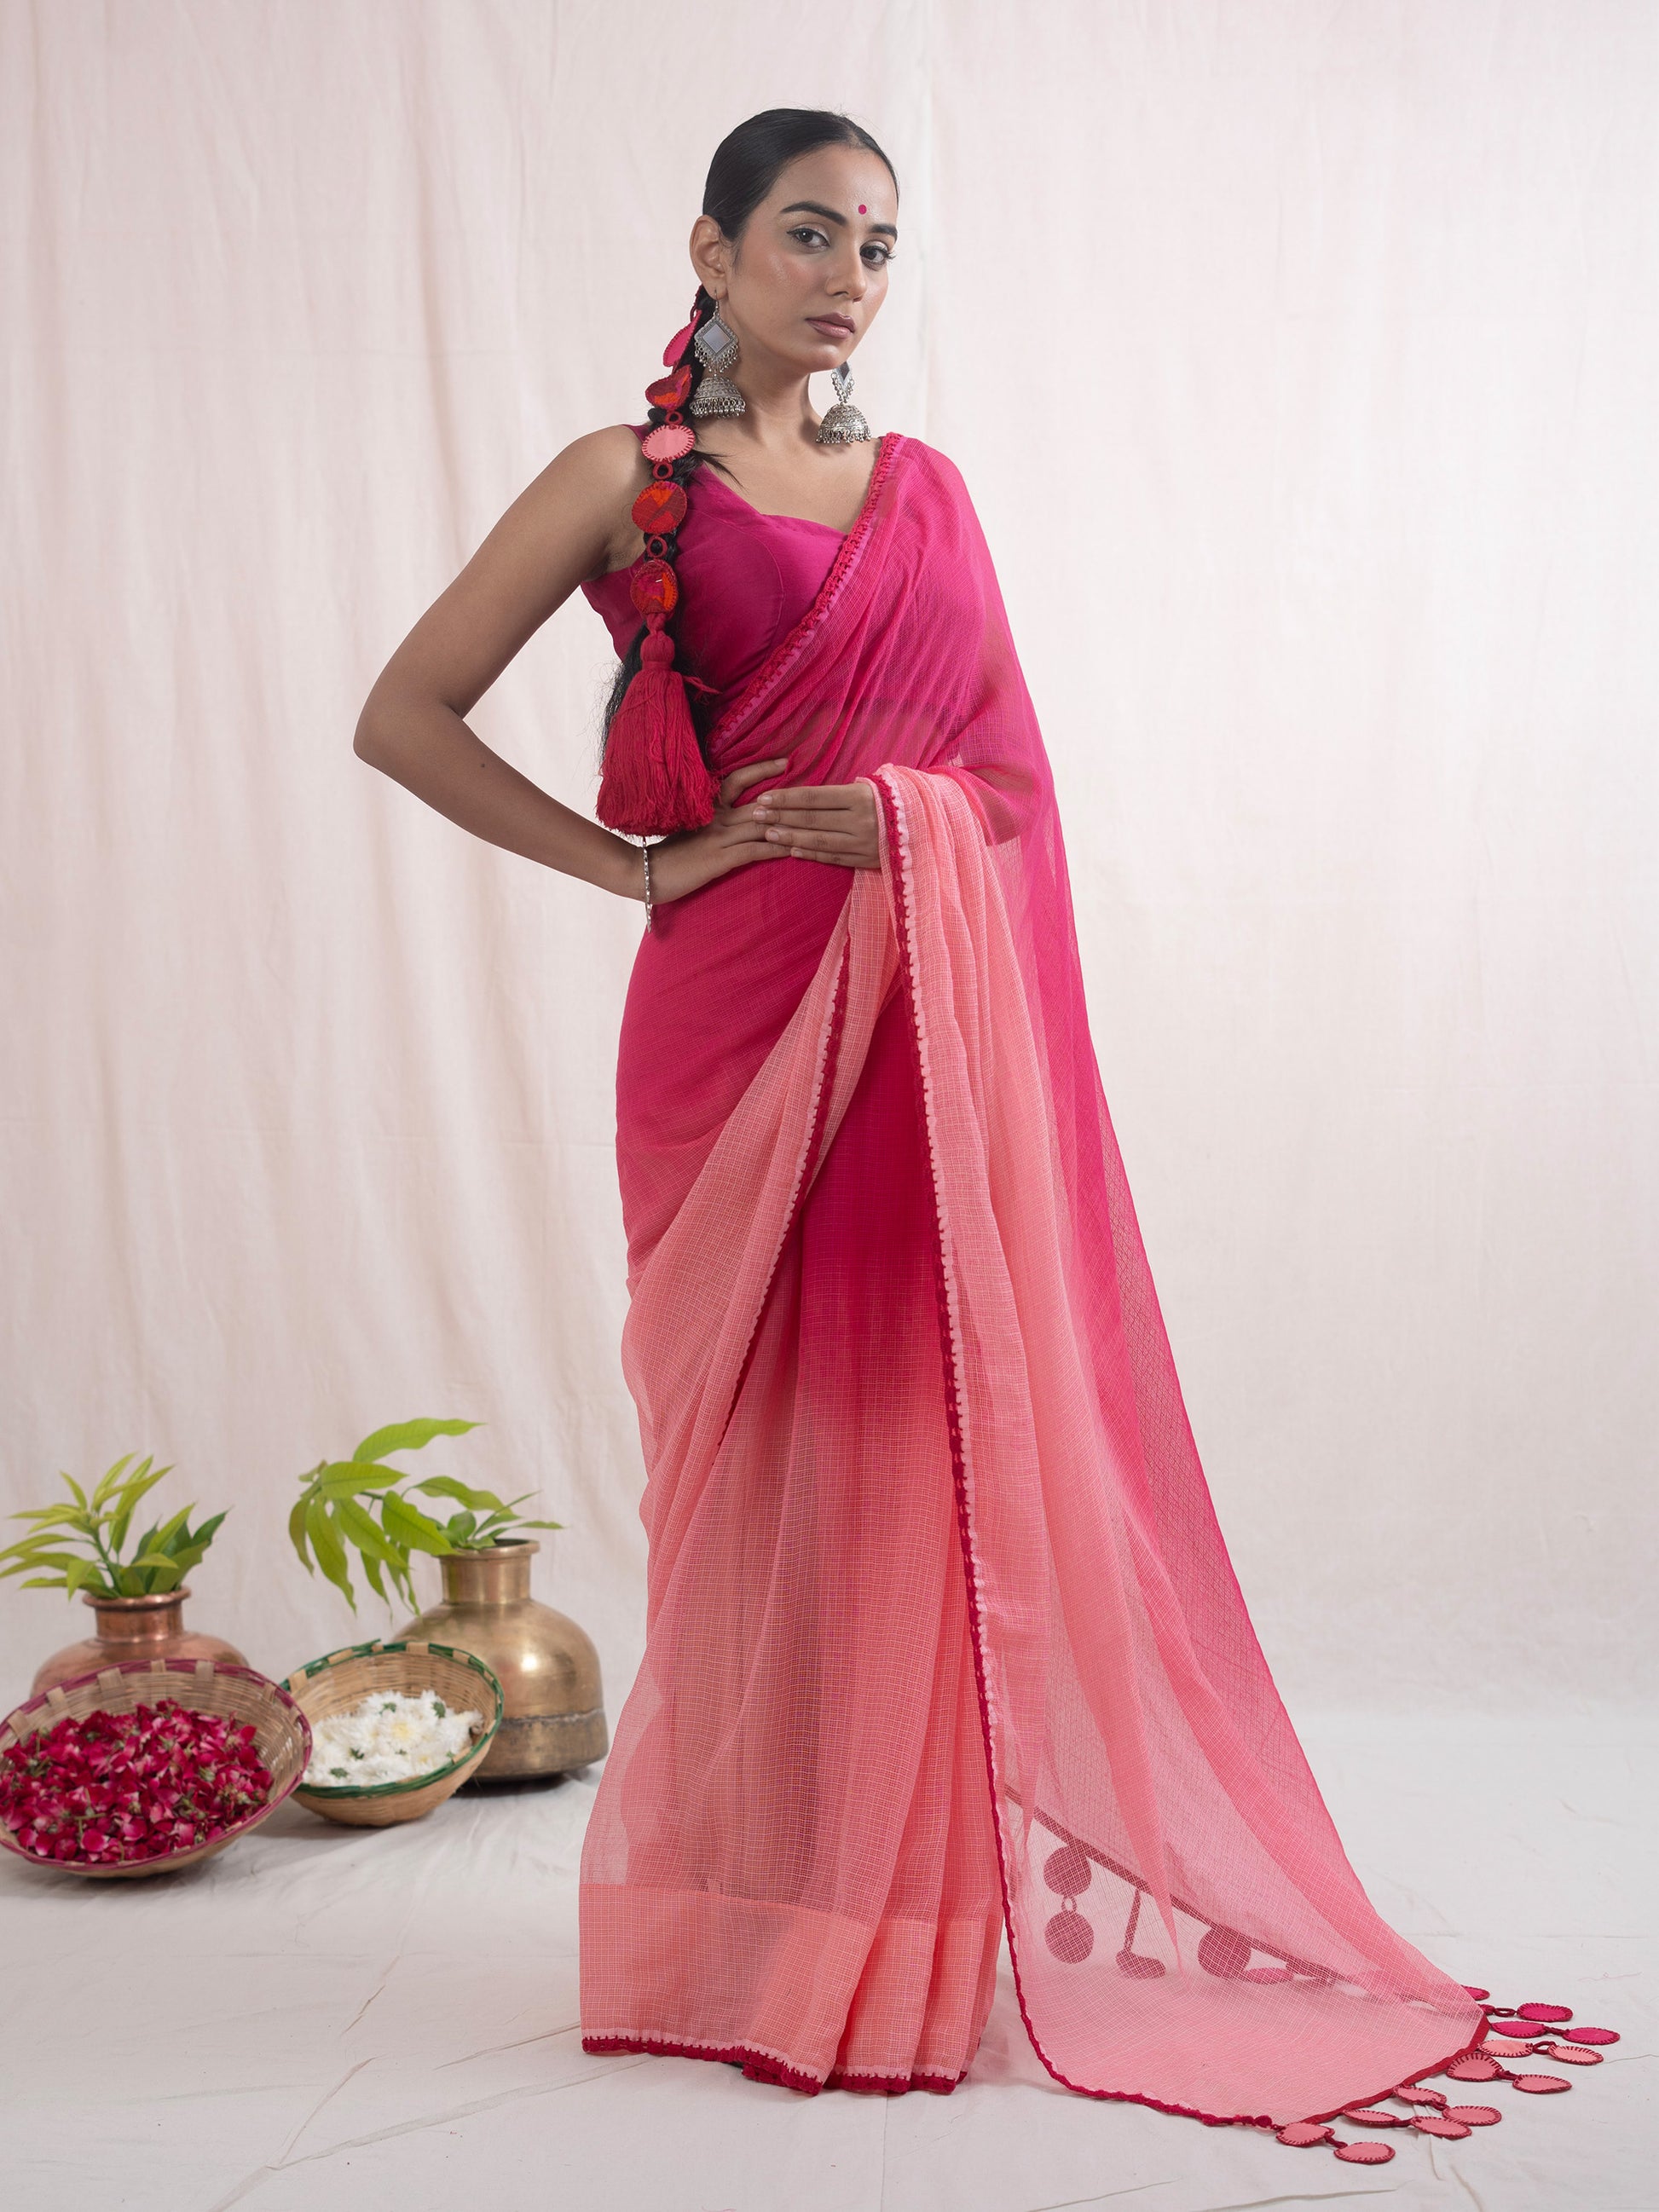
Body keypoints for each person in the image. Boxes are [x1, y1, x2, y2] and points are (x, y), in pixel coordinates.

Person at [356, 106, 1604, 2169]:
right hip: (731, 1028)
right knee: (742, 1466)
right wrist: (642, 868)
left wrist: (897, 823)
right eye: (806, 232)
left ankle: (901, 1927)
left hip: (917, 1025)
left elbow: (1009, 786)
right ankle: (747, 1921)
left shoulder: (927, 494)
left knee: (908, 1447)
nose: (846, 276)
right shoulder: (617, 481)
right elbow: (404, 711)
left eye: (877, 244)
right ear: (711, 247)